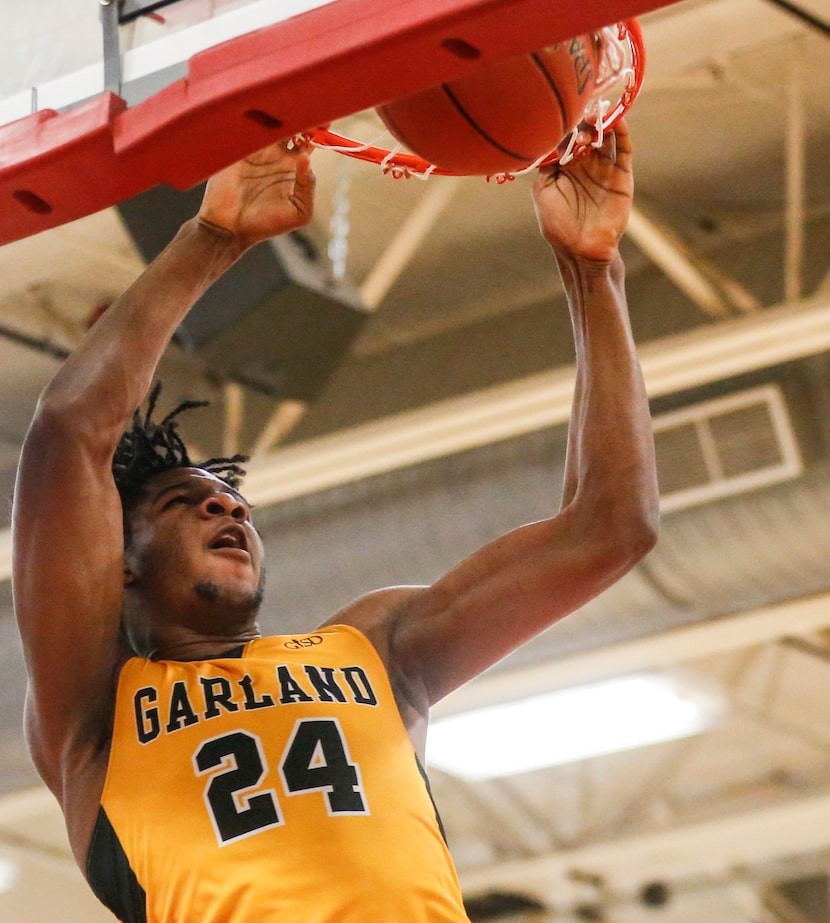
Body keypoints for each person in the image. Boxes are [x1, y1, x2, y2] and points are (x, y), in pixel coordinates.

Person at [12, 121, 658, 923]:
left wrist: (593, 268)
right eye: (187, 502)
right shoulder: (97, 709)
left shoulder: (374, 648)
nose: (226, 506)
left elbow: (609, 527)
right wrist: (213, 236)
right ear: (122, 564)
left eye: (234, 503)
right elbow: (71, 429)